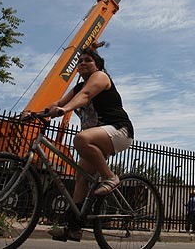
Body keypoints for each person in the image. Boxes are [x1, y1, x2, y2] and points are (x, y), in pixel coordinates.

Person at [45, 48, 134, 242]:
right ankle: (74, 228)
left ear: (97, 65)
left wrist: (65, 109)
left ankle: (110, 177)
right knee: (81, 178)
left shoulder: (101, 77)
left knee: (81, 139)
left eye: (88, 60)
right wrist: (37, 113)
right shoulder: (77, 88)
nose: (83, 63)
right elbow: (59, 102)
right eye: (80, 61)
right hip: (98, 136)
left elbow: (85, 96)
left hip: (119, 131)